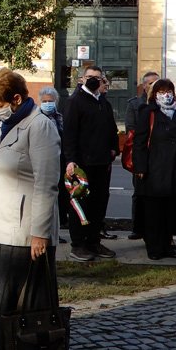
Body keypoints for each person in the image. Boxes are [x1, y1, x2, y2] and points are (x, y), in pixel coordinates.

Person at [0, 69, 60, 350]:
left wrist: (40, 232)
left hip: (26, 234)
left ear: (17, 98)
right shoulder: (2, 126)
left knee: (29, 304)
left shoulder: (40, 128)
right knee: (5, 302)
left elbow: (47, 184)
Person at [132, 79, 176, 260]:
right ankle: (154, 248)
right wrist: (140, 167)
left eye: (169, 90)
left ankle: (167, 245)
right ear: (154, 94)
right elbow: (139, 142)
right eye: (161, 91)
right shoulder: (148, 113)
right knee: (154, 212)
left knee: (171, 211)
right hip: (154, 171)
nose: (166, 94)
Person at [61, 65, 119, 261]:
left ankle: (94, 241)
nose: (94, 80)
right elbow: (69, 134)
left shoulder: (104, 103)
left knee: (99, 203)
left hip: (102, 163)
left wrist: (113, 151)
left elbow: (111, 130)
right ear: (82, 79)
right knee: (80, 204)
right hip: (81, 164)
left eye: (98, 77)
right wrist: (70, 160)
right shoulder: (74, 102)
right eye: (90, 77)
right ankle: (78, 245)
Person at [124, 71, 160, 240]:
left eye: (156, 82)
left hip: (160, 157)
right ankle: (137, 228)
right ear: (144, 86)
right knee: (139, 192)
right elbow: (131, 128)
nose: (153, 86)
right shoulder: (134, 104)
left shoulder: (164, 103)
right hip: (142, 154)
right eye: (150, 83)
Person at [37, 86, 70, 240]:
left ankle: (57, 229)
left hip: (60, 160)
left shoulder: (60, 117)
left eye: (50, 101)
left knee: (60, 196)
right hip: (43, 162)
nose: (48, 104)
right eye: (45, 101)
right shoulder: (36, 118)